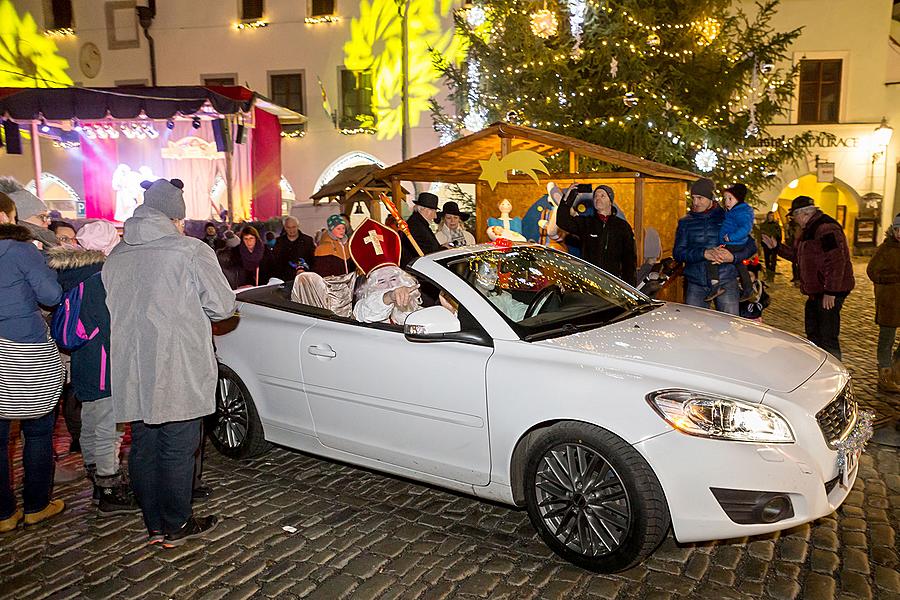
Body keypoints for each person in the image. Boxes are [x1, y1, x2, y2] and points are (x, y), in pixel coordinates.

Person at [102, 178, 236, 547]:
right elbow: (223, 306)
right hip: (178, 362)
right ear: (176, 216)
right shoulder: (189, 250)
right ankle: (176, 524)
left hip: (133, 365)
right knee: (178, 446)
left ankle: (154, 525)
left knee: (144, 444)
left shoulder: (117, 254)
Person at [47, 220, 137, 514]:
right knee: (109, 427)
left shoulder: (71, 273)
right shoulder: (99, 278)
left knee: (91, 419)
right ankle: (108, 485)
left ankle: (96, 478)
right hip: (105, 362)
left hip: (85, 361)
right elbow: (111, 326)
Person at [0, 191, 66, 532]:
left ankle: (4, 513)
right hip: (22, 349)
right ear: (5, 216)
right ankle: (37, 505)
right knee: (38, 429)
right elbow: (51, 296)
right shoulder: (21, 250)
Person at [762, 196, 854, 359]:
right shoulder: (808, 230)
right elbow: (799, 256)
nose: (793, 219)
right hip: (817, 290)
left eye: (794, 215)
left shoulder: (826, 229)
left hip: (828, 290)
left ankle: (834, 370)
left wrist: (830, 291)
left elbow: (836, 261)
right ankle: (817, 367)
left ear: (803, 214)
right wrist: (777, 248)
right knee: (813, 332)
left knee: (827, 334)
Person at [674, 178, 757, 315]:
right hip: (696, 283)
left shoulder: (728, 217)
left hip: (726, 282)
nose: (695, 202)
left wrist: (733, 257)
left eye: (700, 198)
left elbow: (751, 246)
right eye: (693, 198)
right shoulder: (685, 222)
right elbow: (678, 253)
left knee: (728, 326)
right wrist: (703, 253)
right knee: (694, 327)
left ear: (711, 198)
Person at [557, 184, 637, 286]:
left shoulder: (622, 226)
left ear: (610, 201)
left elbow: (629, 260)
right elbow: (562, 221)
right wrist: (568, 197)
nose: (598, 198)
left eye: (602, 196)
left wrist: (629, 287)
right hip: (590, 283)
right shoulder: (587, 223)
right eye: (595, 196)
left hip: (613, 284)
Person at [350, 219, 422, 324]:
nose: (389, 285)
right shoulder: (362, 309)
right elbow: (369, 310)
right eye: (381, 281)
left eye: (393, 279)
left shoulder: (414, 309)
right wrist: (390, 296)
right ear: (370, 288)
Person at [866, 213, 900, 393]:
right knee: (886, 340)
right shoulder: (885, 249)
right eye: (897, 229)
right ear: (892, 230)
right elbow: (872, 271)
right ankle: (885, 376)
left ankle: (897, 372)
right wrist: (894, 279)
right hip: (889, 302)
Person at [706, 183, 754, 302]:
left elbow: (745, 228)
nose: (727, 201)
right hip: (733, 243)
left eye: (730, 198)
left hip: (734, 243)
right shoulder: (733, 210)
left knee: (713, 259)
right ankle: (748, 288)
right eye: (725, 198)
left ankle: (715, 286)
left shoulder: (741, 211)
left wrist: (731, 237)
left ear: (738, 198)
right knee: (740, 265)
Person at [0, 178, 58, 250]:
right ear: (20, 219)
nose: (49, 222)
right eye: (42, 216)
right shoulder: (22, 250)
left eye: (48, 217)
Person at [400, 192, 442, 266]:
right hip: (417, 270)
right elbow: (429, 251)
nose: (435, 216)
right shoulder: (416, 226)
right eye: (434, 211)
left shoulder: (418, 223)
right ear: (423, 209)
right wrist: (445, 249)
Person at [271, 216, 315, 282]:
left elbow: (313, 261)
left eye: (294, 227)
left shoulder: (307, 241)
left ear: (298, 226)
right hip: (284, 280)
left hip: (304, 279)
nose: (291, 230)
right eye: (288, 227)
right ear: (285, 228)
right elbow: (276, 263)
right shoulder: (279, 242)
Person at [758, 211, 782, 276]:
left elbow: (779, 235)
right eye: (770, 216)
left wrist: (778, 242)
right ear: (767, 216)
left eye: (772, 216)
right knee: (767, 259)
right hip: (766, 244)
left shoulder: (776, 225)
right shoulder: (763, 225)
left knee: (773, 259)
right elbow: (760, 235)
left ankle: (772, 271)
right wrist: (762, 242)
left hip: (774, 244)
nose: (771, 217)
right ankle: (769, 271)